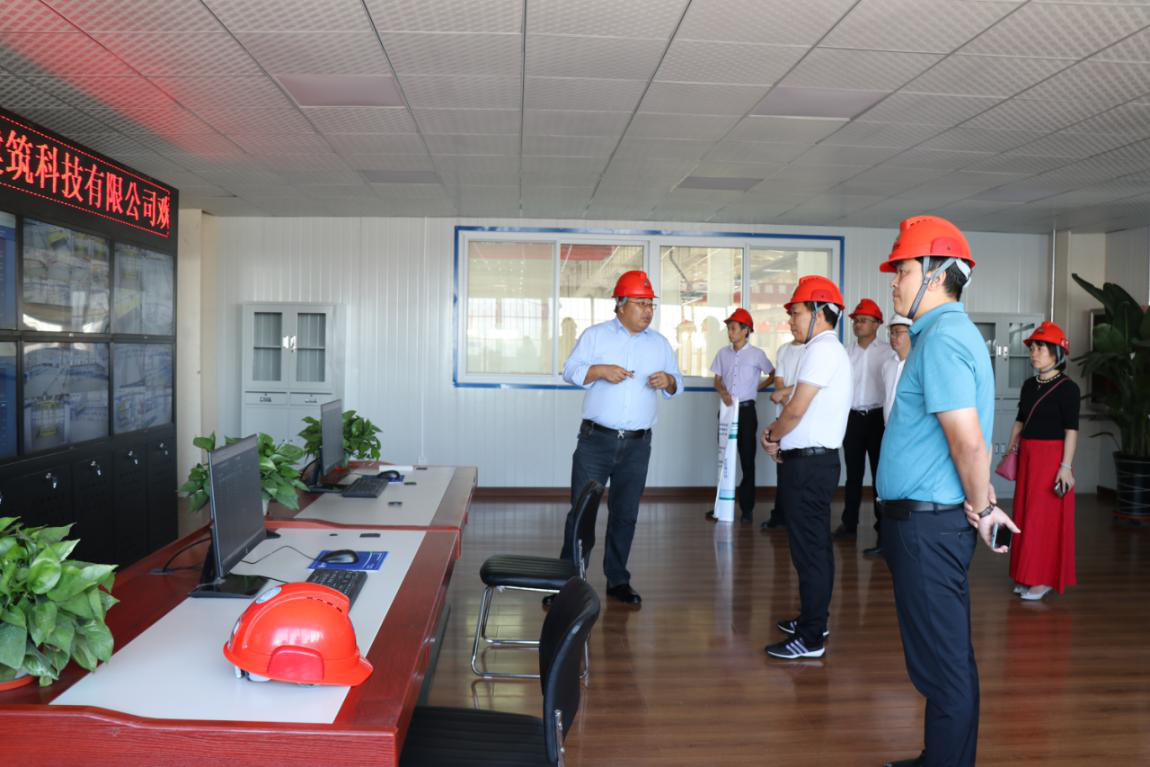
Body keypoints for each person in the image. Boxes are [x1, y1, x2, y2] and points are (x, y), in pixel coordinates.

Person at [876, 215, 1018, 767]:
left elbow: (967, 441)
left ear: (936, 275)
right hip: (925, 524)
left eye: (903, 270)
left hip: (927, 528)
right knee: (942, 658)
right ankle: (939, 756)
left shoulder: (942, 340)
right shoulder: (941, 336)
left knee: (945, 667)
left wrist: (984, 508)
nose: (894, 282)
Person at [553, 270, 683, 607]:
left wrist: (668, 380)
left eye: (650, 304)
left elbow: (677, 382)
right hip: (596, 441)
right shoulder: (595, 336)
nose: (647, 311)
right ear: (620, 306)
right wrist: (599, 371)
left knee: (625, 513)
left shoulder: (659, 343)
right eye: (640, 303)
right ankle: (569, 582)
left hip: (638, 445)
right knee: (582, 513)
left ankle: (618, 579)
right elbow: (569, 371)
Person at [760, 276, 852, 660]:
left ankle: (811, 638)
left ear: (818, 312)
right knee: (812, 548)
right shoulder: (820, 349)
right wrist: (780, 436)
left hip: (810, 466)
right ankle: (814, 620)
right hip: (811, 462)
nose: (791, 321)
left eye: (796, 312)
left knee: (810, 551)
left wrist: (772, 435)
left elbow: (796, 409)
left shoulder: (823, 350)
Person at [1007, 321, 1079, 601]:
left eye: (1041, 348)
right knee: (1024, 514)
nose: (1034, 353)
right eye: (1032, 348)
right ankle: (1026, 574)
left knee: (1043, 518)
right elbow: (1020, 420)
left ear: (1057, 353)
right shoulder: (1029, 385)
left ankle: (1043, 579)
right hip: (1028, 455)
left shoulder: (1068, 388)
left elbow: (1071, 430)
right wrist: (1010, 449)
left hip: (1051, 459)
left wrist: (1065, 467)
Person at [708, 308, 774, 523]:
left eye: (734, 328)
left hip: (746, 412)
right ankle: (720, 506)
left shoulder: (757, 354)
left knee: (747, 460)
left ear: (746, 330)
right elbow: (717, 381)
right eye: (728, 328)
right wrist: (723, 392)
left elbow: (773, 374)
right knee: (724, 459)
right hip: (727, 411)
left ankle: (747, 509)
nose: (730, 332)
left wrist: (756, 388)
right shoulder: (722, 353)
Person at [836, 298, 891, 544]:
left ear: (877, 324)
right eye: (856, 321)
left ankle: (883, 527)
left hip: (879, 419)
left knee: (880, 475)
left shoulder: (888, 352)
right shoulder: (845, 353)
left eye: (864, 320)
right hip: (853, 418)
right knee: (853, 475)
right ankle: (849, 524)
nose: (858, 324)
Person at [869, 314, 912, 556]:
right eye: (891, 332)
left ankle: (903, 542)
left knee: (906, 491)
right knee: (886, 488)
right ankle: (885, 540)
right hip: (888, 434)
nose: (894, 337)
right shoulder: (888, 365)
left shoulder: (918, 363)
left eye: (899, 332)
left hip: (910, 438)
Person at [762, 336, 803, 530]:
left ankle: (798, 517)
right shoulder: (783, 349)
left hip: (805, 416)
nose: (793, 323)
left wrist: (787, 400)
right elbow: (778, 381)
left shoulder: (815, 349)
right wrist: (788, 404)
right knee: (783, 467)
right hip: (784, 415)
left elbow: (810, 384)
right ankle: (780, 516)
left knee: (801, 469)